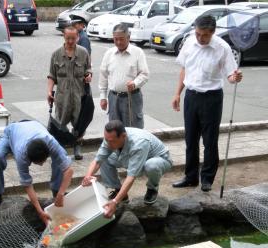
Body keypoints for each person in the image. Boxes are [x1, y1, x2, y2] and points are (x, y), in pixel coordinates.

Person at [171, 15, 243, 192]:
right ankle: (191, 177)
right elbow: (184, 69)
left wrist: (235, 77)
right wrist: (177, 94)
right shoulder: (189, 42)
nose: (200, 38)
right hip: (191, 96)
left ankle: (207, 178)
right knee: (190, 139)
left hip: (212, 98)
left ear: (212, 32)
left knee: (210, 140)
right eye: (197, 33)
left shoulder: (222, 48)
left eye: (204, 35)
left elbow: (230, 76)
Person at [0, 121, 73, 225]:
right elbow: (27, 185)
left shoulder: (50, 143)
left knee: (59, 161)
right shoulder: (21, 155)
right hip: (11, 132)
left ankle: (56, 190)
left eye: (43, 161)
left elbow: (69, 170)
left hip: (33, 126)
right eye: (38, 163)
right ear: (29, 159)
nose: (41, 165)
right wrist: (40, 211)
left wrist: (61, 193)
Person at [81, 120, 172, 218]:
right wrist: (88, 176)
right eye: (106, 139)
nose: (108, 143)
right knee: (105, 159)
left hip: (159, 160)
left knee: (151, 165)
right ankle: (119, 191)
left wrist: (115, 202)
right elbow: (98, 160)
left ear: (123, 136)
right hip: (132, 157)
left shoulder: (139, 143)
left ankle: (152, 188)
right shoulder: (110, 138)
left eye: (111, 141)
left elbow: (131, 177)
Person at [47, 26, 92, 160]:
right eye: (68, 38)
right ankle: (60, 148)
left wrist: (89, 75)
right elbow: (51, 76)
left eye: (73, 38)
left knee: (79, 124)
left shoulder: (84, 53)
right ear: (64, 37)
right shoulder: (56, 54)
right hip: (62, 97)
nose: (71, 41)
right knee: (60, 124)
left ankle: (77, 147)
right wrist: (49, 91)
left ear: (78, 37)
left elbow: (88, 70)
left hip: (80, 96)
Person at [99, 23, 149, 129]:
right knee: (114, 130)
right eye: (115, 39)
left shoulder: (138, 52)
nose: (118, 42)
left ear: (128, 37)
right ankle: (117, 147)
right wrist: (103, 97)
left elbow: (144, 74)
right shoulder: (109, 53)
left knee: (133, 129)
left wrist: (135, 83)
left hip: (132, 97)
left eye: (121, 39)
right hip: (113, 97)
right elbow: (103, 76)